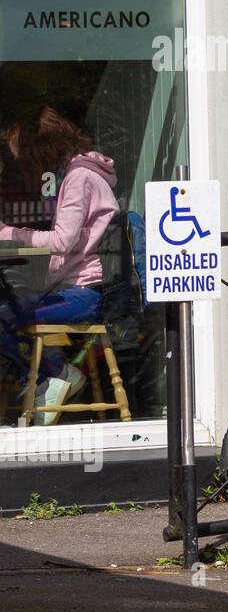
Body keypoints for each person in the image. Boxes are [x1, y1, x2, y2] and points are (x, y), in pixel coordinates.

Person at [0, 107, 119, 425]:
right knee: (16, 312)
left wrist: (10, 232)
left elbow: (64, 241)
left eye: (25, 157)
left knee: (6, 316)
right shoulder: (84, 174)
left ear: (41, 150)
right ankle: (51, 379)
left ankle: (51, 378)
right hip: (85, 288)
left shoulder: (79, 178)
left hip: (84, 293)